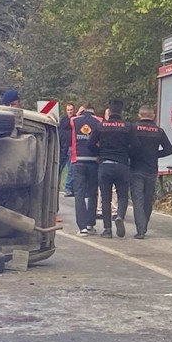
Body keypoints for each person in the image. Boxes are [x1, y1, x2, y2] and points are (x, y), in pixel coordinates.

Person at [129, 106, 172, 239]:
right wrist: (154, 155)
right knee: (148, 200)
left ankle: (140, 229)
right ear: (153, 115)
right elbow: (169, 149)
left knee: (138, 200)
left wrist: (132, 156)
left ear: (139, 115)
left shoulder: (134, 129)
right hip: (151, 169)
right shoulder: (158, 131)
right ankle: (144, 226)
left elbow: (128, 146)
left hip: (136, 168)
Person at [91, 100, 134, 238]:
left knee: (105, 198)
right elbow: (136, 145)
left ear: (109, 111)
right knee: (122, 196)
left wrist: (99, 153)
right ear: (121, 111)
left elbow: (89, 144)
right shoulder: (128, 127)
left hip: (105, 165)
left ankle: (107, 230)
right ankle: (120, 215)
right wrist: (127, 154)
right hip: (122, 165)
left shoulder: (101, 126)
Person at [69, 103, 103, 235]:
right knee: (93, 193)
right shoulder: (99, 121)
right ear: (93, 111)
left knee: (79, 194)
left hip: (78, 161)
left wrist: (78, 113)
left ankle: (82, 227)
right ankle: (90, 225)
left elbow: (66, 125)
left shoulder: (74, 120)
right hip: (94, 161)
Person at [58, 103, 76, 197]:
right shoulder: (64, 120)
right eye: (68, 110)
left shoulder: (76, 119)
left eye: (71, 109)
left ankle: (69, 188)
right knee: (59, 169)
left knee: (71, 170)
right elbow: (65, 125)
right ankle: (55, 186)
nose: (70, 111)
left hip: (71, 148)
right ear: (66, 111)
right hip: (62, 148)